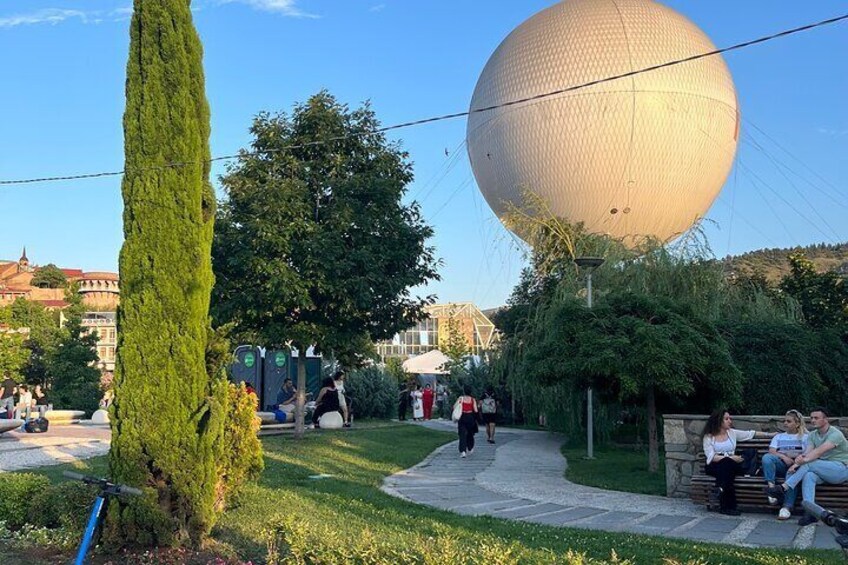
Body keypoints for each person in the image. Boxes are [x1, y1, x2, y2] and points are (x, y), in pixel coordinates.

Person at [766, 407, 848, 526]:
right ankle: (811, 513)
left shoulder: (835, 434)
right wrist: (796, 463)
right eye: (811, 418)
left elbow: (818, 452)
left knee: (809, 463)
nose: (813, 420)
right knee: (809, 475)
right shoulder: (813, 435)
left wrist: (800, 462)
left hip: (841, 469)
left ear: (825, 419)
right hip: (823, 470)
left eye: (816, 418)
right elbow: (808, 452)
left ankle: (783, 487)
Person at [702, 409, 770, 516]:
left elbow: (751, 434)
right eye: (726, 419)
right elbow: (712, 457)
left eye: (730, 418)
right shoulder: (709, 437)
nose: (730, 421)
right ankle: (729, 505)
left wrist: (769, 434)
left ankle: (721, 491)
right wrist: (731, 457)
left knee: (727, 469)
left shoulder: (732, 433)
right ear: (718, 421)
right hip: (714, 466)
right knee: (727, 466)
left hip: (730, 466)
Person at [762, 409, 808, 520]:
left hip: (798, 466)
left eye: (789, 421)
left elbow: (808, 453)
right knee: (767, 458)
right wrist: (784, 457)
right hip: (782, 464)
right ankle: (772, 490)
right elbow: (772, 451)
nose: (785, 423)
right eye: (785, 421)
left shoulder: (805, 437)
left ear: (797, 424)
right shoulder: (779, 436)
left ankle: (787, 507)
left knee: (791, 474)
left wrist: (796, 461)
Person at [454, 386, 479, 458]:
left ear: (464, 391)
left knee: (462, 434)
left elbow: (454, 406)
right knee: (470, 433)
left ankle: (463, 451)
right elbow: (476, 410)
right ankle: (470, 447)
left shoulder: (460, 398)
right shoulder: (472, 399)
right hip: (470, 417)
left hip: (462, 417)